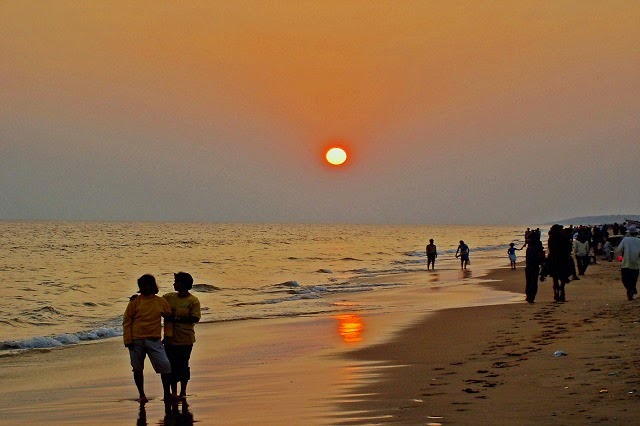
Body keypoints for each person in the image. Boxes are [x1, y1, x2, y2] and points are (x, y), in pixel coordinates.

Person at [123, 274, 172, 404]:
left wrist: (168, 336)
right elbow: (127, 321)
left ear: (152, 286)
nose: (143, 288)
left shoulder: (160, 301)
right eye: (141, 286)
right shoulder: (135, 302)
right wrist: (128, 340)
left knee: (165, 365)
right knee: (137, 368)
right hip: (136, 340)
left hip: (154, 339)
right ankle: (142, 394)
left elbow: (168, 319)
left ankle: (167, 394)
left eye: (145, 285)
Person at [163, 272, 201, 402]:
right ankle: (173, 392)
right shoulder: (169, 297)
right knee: (170, 366)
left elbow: (195, 318)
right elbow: (155, 302)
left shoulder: (193, 300)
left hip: (185, 339)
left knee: (183, 365)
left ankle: (183, 391)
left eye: (176, 282)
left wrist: (177, 318)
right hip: (170, 338)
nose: (174, 284)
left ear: (184, 284)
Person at [546, 224, 571, 302]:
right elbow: (568, 248)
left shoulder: (551, 237)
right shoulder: (564, 236)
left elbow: (550, 248)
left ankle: (555, 293)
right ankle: (562, 292)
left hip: (553, 257)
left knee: (553, 275)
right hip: (563, 257)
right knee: (570, 266)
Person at [615, 225, 640, 301]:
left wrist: (620, 258)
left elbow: (619, 250)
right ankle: (631, 293)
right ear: (636, 232)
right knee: (633, 280)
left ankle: (631, 291)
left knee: (625, 280)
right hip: (636, 264)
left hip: (626, 263)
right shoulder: (639, 240)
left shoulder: (625, 239)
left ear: (629, 233)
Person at [524, 233, 545, 303]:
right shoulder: (537, 246)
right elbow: (541, 257)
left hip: (529, 266)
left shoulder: (529, 247)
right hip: (535, 266)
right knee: (534, 282)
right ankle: (531, 296)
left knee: (529, 281)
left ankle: (529, 296)